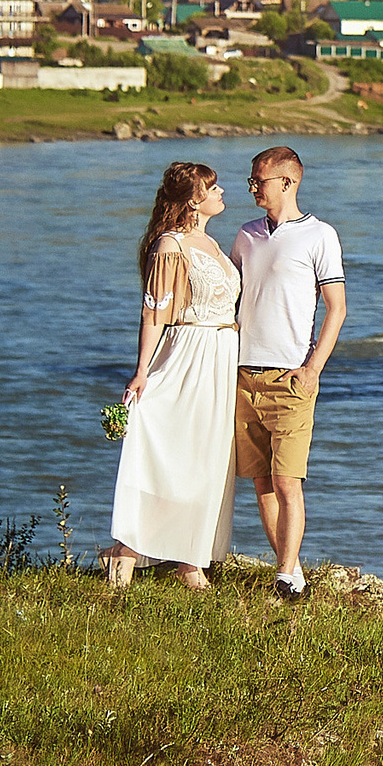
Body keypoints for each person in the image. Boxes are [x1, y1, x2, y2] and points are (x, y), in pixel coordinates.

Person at [104, 160, 241, 590]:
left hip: (222, 355)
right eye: (213, 187)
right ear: (194, 198)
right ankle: (126, 551)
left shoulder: (212, 243)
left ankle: (189, 556)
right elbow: (154, 312)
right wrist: (142, 370)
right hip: (190, 355)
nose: (222, 192)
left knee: (208, 458)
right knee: (177, 454)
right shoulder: (170, 246)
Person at [233, 144, 348, 603]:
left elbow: (337, 309)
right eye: (251, 180)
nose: (252, 187)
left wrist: (313, 368)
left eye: (258, 180)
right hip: (243, 375)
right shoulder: (245, 235)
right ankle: (292, 571)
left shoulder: (320, 235)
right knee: (261, 482)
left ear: (287, 182)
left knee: (287, 481)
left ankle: (284, 575)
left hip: (290, 378)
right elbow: (231, 299)